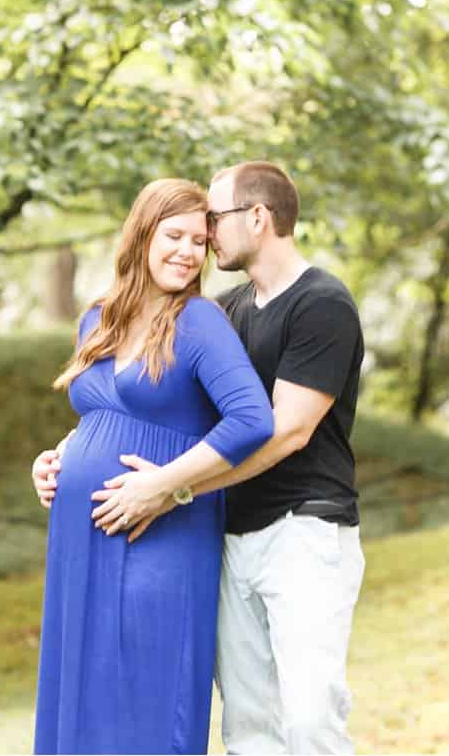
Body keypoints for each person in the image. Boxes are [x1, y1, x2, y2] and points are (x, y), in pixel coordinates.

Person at [35, 161, 366, 755]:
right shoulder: (235, 307)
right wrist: (66, 454)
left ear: (257, 218)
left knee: (310, 716)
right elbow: (163, 406)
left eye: (210, 224)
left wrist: (171, 487)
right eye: (183, 232)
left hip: (303, 526)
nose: (202, 242)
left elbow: (282, 430)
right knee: (248, 722)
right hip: (234, 530)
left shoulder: (320, 303)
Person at [31, 177, 274, 756]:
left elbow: (252, 420)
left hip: (160, 534)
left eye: (199, 240)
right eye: (174, 235)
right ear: (142, 234)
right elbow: (102, 412)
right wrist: (56, 460)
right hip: (79, 542)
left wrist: (164, 485)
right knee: (83, 690)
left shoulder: (200, 323)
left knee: (145, 690)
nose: (187, 253)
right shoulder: (99, 320)